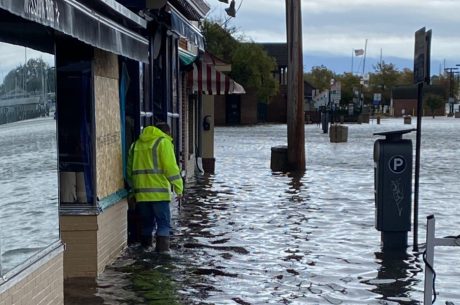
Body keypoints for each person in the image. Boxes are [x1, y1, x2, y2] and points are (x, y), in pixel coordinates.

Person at [127, 122, 183, 252]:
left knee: (146, 225)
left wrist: (132, 192)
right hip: (159, 194)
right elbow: (171, 168)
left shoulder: (135, 145)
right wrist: (179, 188)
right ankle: (162, 256)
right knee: (163, 225)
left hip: (141, 195)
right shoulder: (163, 143)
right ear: (167, 133)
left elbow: (129, 172)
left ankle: (145, 249)